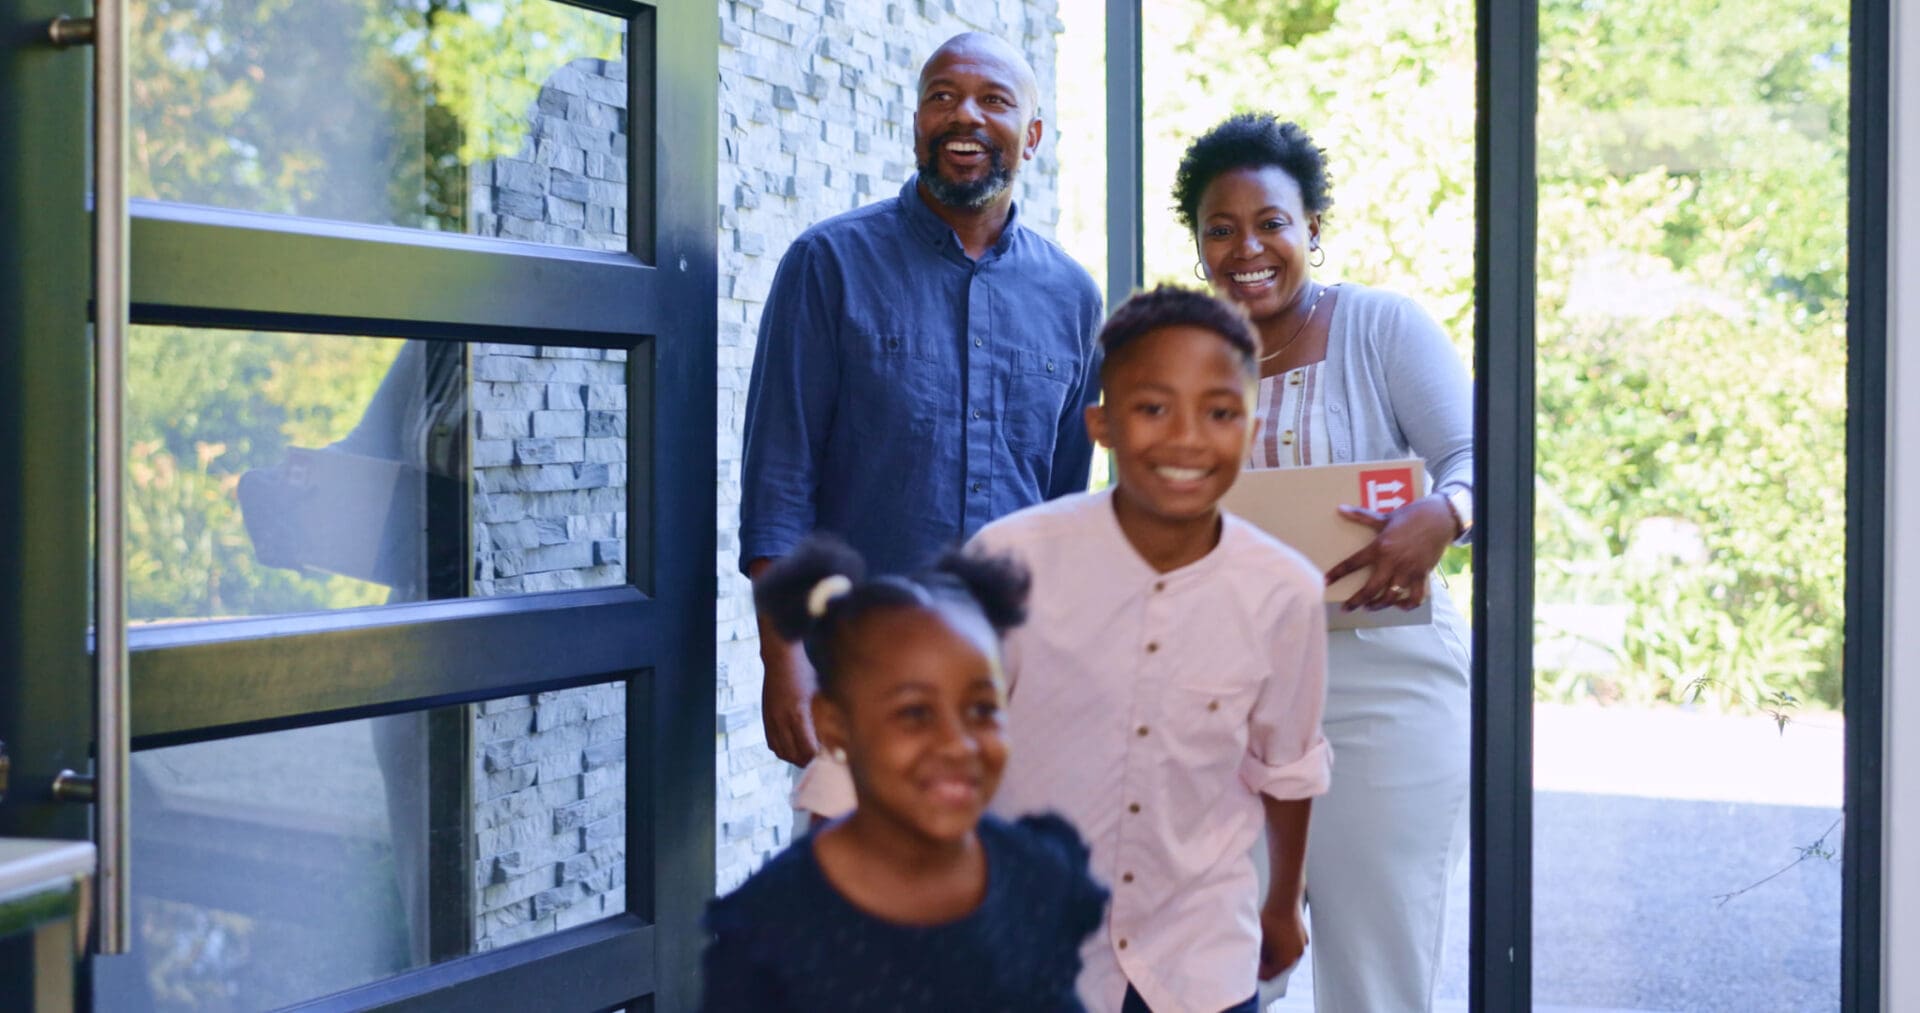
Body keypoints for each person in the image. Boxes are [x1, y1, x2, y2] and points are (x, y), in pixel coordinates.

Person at [739, 31, 1104, 814]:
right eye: (942, 96)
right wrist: (785, 660)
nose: (962, 115)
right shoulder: (827, 266)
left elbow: (1064, 504)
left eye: (993, 100)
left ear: (1032, 136)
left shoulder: (1074, 297)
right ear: (916, 122)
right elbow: (779, 483)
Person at [1175, 113, 1474, 1013]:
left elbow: (1484, 453)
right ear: (1198, 249)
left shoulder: (1382, 328)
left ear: (1313, 229)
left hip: (1385, 685)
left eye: (1272, 223)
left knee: (1376, 955)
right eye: (1220, 230)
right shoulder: (1184, 358)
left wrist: (1445, 511)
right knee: (1213, 953)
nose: (1248, 248)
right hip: (1228, 694)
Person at [972, 286, 1332, 1013]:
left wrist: (1282, 904)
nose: (1188, 439)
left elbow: (1288, 765)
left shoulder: (1285, 591)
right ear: (1101, 424)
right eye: (1153, 407)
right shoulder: (1009, 562)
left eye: (1220, 411)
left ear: (1250, 423)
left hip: (1199, 959)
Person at [700, 535, 1108, 1012]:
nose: (958, 743)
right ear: (834, 726)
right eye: (915, 713)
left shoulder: (1039, 876)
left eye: (981, 708)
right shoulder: (768, 928)